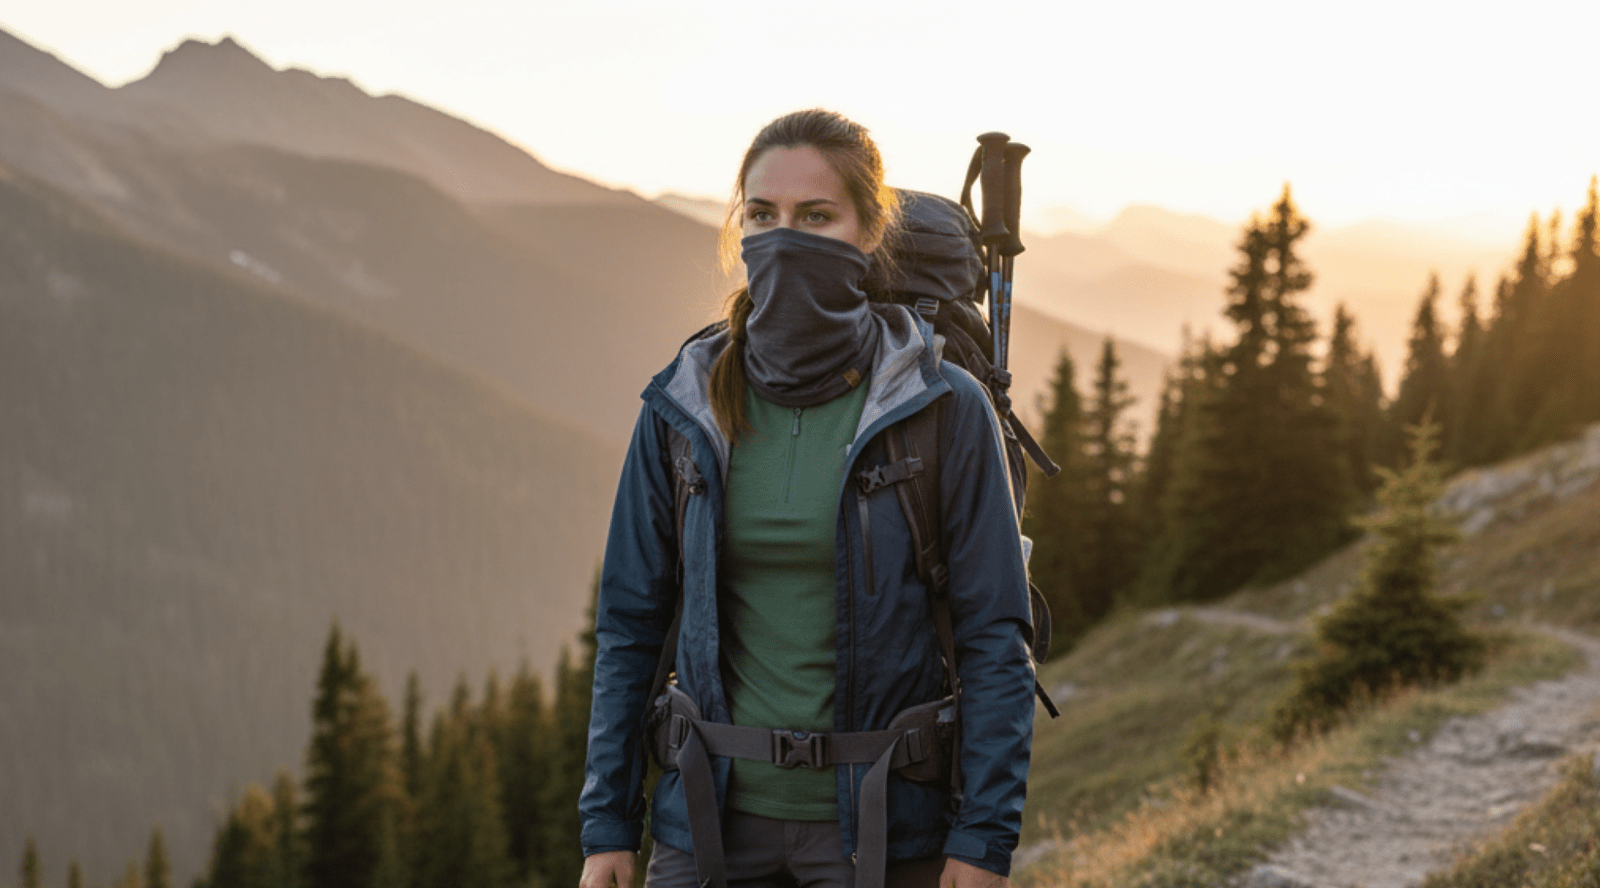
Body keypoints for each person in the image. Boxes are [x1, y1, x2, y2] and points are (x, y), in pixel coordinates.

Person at [578, 109, 1036, 888]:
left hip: (885, 834)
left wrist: (982, 840)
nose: (783, 237)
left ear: (868, 233)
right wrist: (608, 827)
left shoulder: (942, 406)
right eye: (763, 215)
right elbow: (630, 625)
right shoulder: (685, 406)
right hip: (705, 826)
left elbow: (996, 638)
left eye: (815, 216)